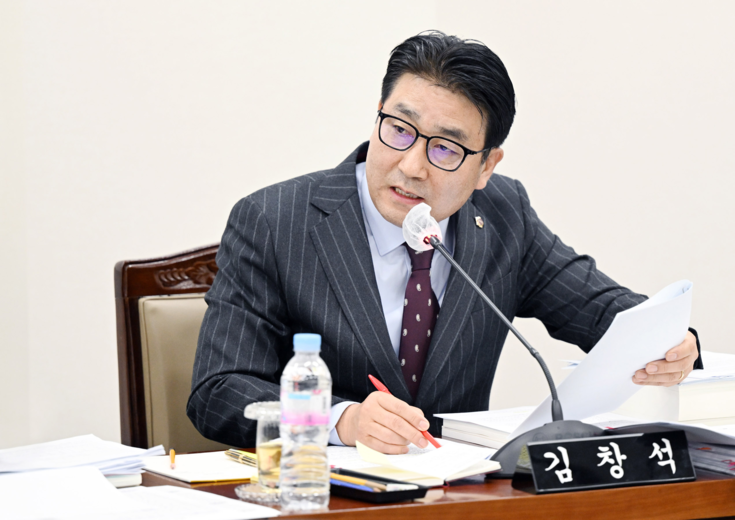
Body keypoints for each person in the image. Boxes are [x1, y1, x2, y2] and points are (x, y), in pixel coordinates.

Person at [187, 31, 702, 454]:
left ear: (487, 166)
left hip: (460, 496)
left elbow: (609, 314)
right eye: (399, 129)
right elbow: (218, 390)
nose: (411, 166)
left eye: (446, 149)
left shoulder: (503, 215)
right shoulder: (275, 221)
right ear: (378, 114)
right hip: (327, 496)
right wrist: (341, 421)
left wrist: (672, 343)